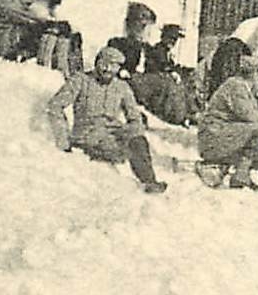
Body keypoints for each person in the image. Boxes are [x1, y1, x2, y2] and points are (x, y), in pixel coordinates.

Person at [45, 45, 168, 194]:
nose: (107, 70)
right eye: (104, 64)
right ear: (97, 63)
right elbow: (55, 106)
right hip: (88, 134)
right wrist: (63, 139)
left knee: (137, 140)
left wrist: (134, 132)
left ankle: (150, 182)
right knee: (117, 149)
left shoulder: (121, 87)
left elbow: (134, 116)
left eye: (113, 67)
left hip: (113, 132)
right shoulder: (80, 80)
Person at [195, 52, 258, 191]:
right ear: (254, 74)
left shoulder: (243, 89)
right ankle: (250, 176)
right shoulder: (236, 86)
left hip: (223, 135)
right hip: (213, 137)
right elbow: (249, 116)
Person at [131, 23, 196, 126]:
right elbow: (162, 65)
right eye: (170, 38)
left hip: (162, 78)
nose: (173, 42)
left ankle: (189, 114)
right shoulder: (158, 49)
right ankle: (179, 116)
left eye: (175, 40)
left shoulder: (167, 52)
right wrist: (171, 71)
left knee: (186, 84)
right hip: (154, 78)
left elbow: (169, 65)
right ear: (163, 37)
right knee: (174, 86)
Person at [29, 0, 80, 72]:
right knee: (53, 32)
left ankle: (67, 70)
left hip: (51, 39)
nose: (61, 0)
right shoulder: (38, 8)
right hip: (36, 39)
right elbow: (40, 20)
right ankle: (45, 69)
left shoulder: (52, 10)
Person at [106, 2, 159, 77]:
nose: (147, 32)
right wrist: (121, 71)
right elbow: (109, 68)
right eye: (143, 26)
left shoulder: (151, 50)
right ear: (130, 25)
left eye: (149, 27)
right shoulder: (118, 44)